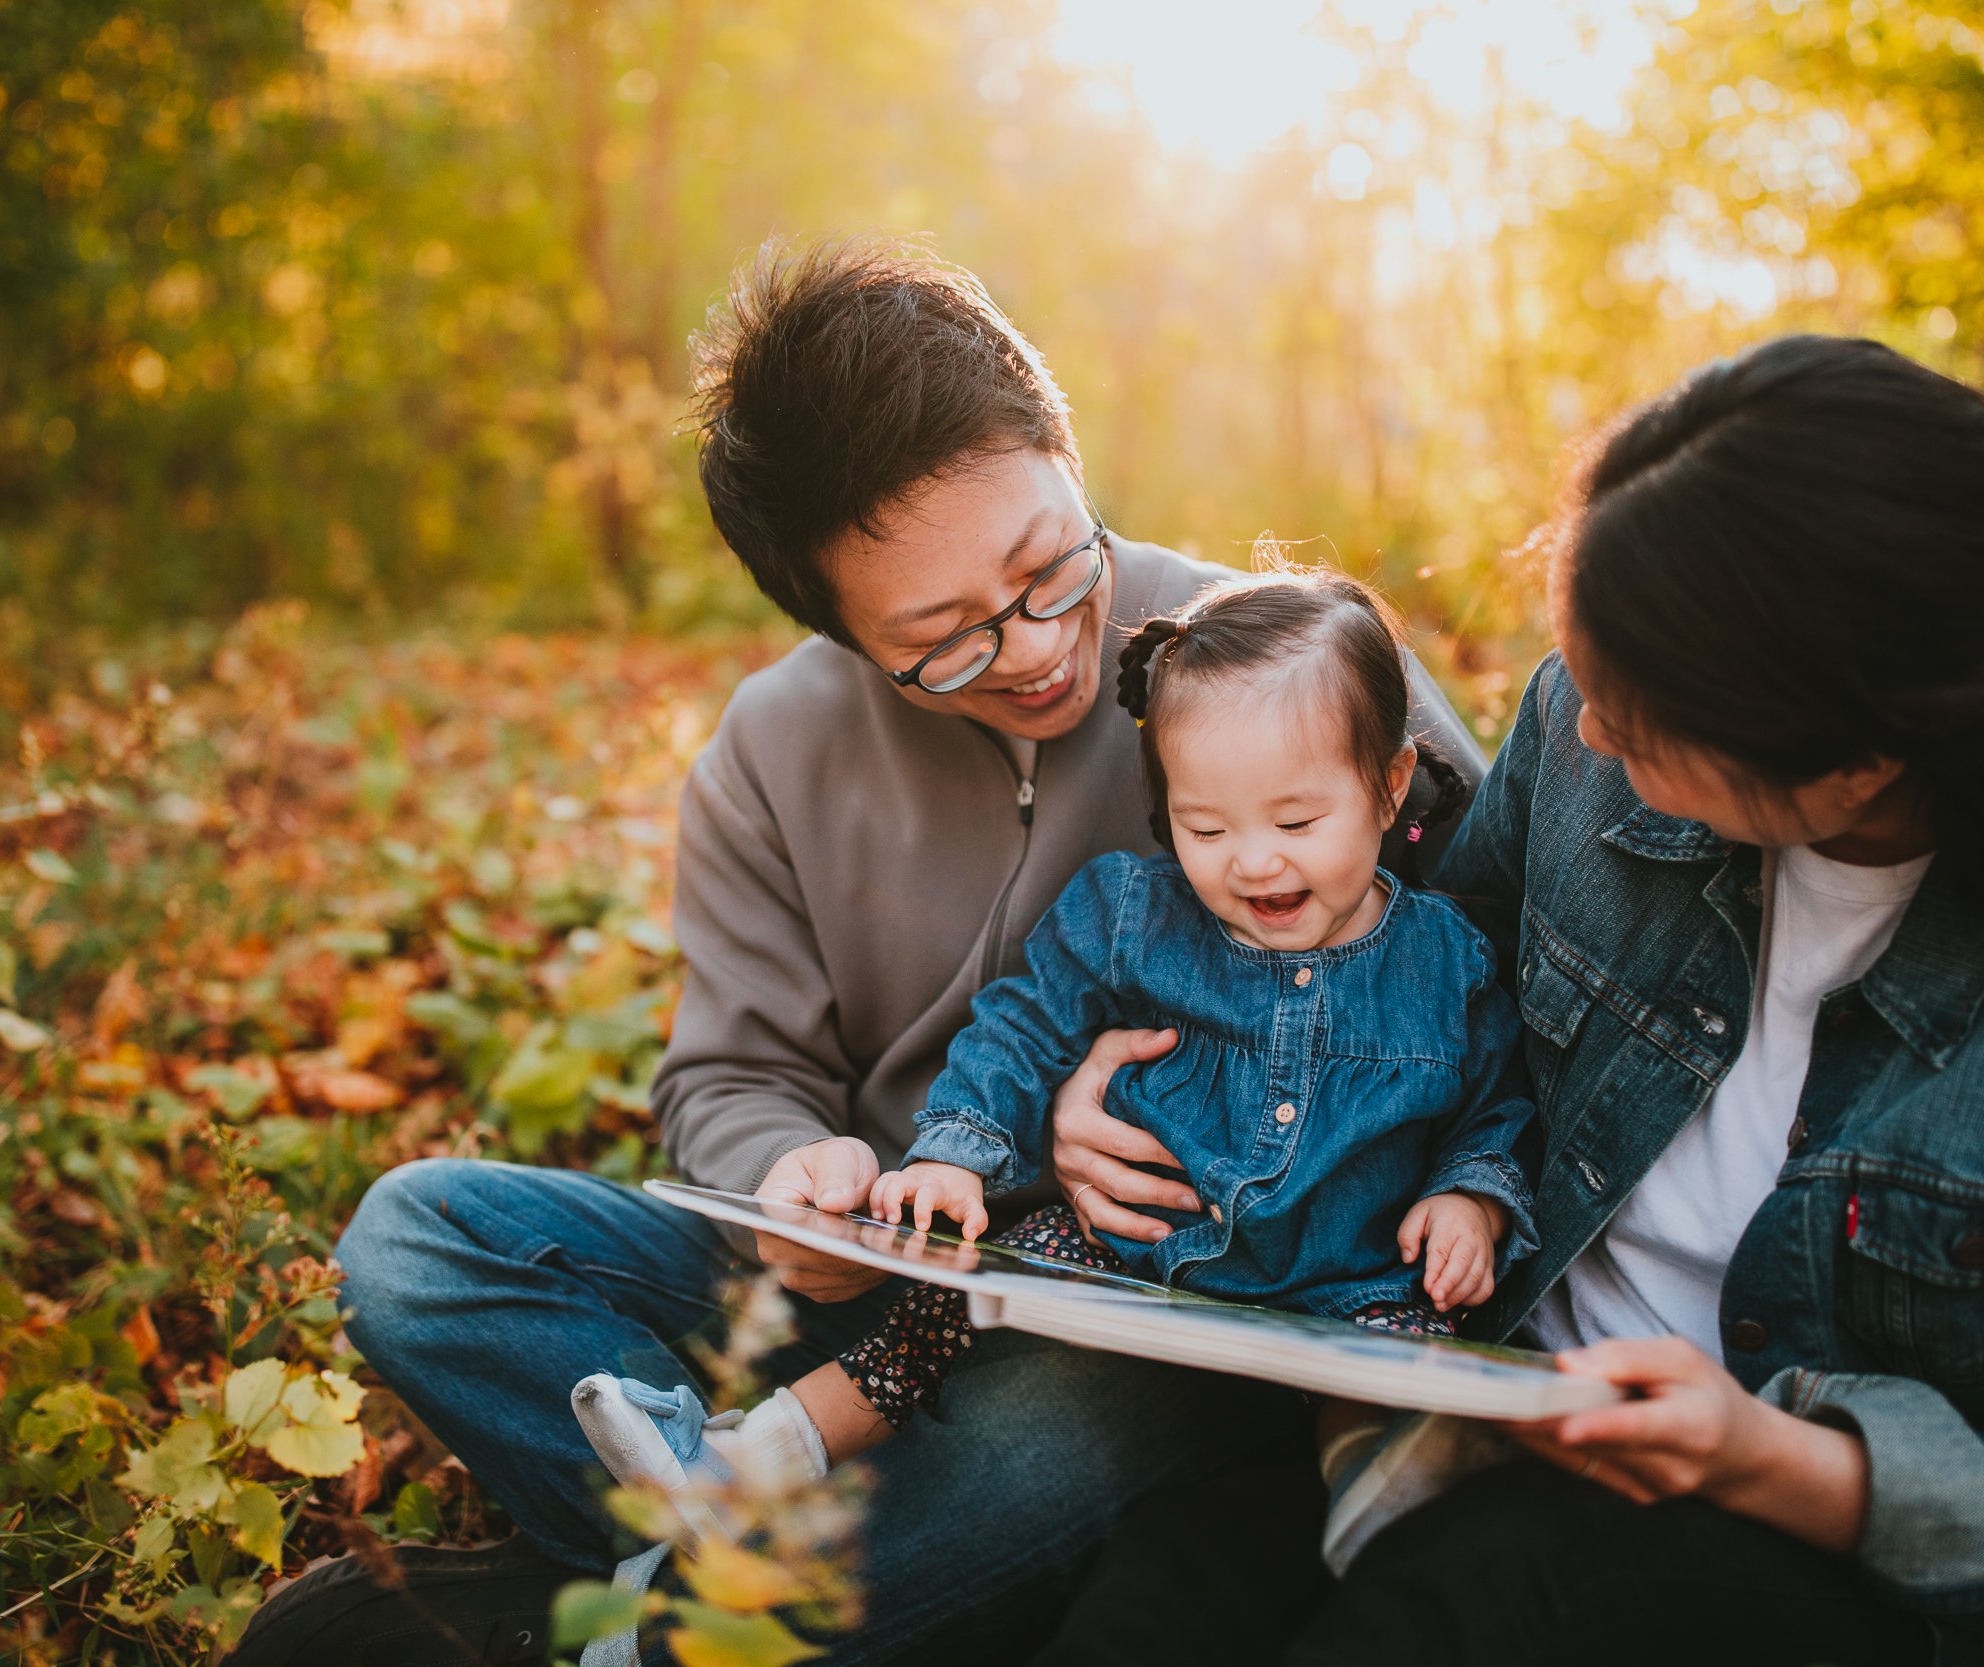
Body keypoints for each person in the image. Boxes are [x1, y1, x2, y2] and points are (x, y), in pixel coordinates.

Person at [227, 239, 1482, 1667]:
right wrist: (788, 1186)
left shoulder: (1291, 667)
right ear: (835, 628)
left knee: (1062, 1442)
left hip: (1157, 1310)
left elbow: (1492, 971)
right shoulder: (775, 748)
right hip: (879, 1291)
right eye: (940, 639)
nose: (1031, 650)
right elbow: (732, 1071)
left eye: (1046, 564)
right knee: (416, 1242)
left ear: (1062, 449)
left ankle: (641, 1622)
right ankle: (790, 1559)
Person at [1033, 334, 1984, 1667]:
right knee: (1164, 1597)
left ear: (1861, 757)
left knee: (1465, 1603)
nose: (1584, 735)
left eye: (1640, 718)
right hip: (1484, 1391)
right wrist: (1134, 1094)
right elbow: (1402, 1003)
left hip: (1816, 1547)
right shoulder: (1583, 734)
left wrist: (1770, 1454)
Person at [570, 569, 1530, 1505]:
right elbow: (1019, 1032)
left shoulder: (1448, 962)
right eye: (1203, 827)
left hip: (1354, 1280)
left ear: (1392, 783)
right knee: (951, 1300)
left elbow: (1494, 1100)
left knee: (1421, 1370)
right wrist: (954, 1156)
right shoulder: (1131, 915)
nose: (1253, 860)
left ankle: (1373, 1509)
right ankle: (760, 1457)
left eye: (1298, 818)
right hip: (1138, 1250)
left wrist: (1470, 1195)